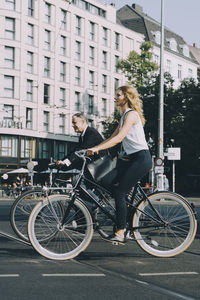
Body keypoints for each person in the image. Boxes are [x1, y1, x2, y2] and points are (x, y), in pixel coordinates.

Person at [86, 85, 152, 244]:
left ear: (126, 97)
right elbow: (111, 138)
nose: (115, 97)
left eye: (118, 95)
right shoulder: (123, 117)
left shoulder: (131, 115)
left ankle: (121, 232)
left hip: (141, 159)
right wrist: (97, 148)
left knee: (120, 193)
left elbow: (119, 138)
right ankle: (127, 215)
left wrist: (96, 148)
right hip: (130, 159)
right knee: (106, 182)